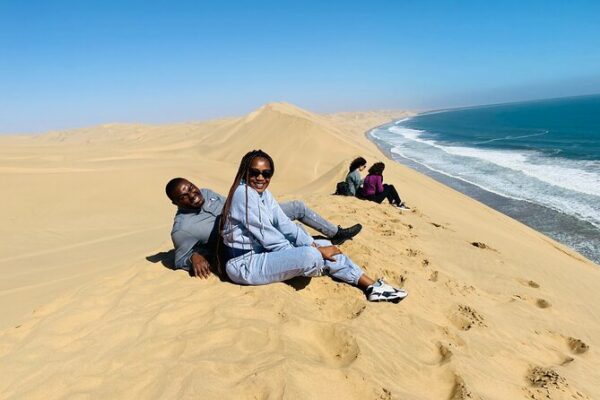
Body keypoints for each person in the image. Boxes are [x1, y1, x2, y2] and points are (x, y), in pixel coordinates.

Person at [220, 150, 407, 303]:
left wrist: (313, 245)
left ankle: (371, 286)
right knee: (311, 255)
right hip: (244, 264)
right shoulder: (243, 195)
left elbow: (284, 224)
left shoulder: (262, 194)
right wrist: (310, 251)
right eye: (255, 172)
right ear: (245, 172)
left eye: (266, 173)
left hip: (262, 253)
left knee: (322, 244)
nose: (261, 177)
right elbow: (269, 236)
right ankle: (366, 284)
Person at [166, 178, 363, 278]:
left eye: (191, 187)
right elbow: (179, 259)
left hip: (252, 216)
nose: (193, 194)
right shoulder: (182, 229)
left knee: (297, 207)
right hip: (243, 240)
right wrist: (194, 257)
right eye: (184, 195)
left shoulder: (207, 193)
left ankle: (335, 233)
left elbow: (233, 203)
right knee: (290, 229)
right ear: (176, 202)